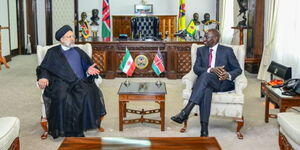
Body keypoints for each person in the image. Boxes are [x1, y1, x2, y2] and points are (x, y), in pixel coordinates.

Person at [36, 25, 106, 138]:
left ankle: (82, 125)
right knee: (62, 96)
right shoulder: (52, 52)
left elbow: (89, 65)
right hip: (60, 82)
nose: (72, 39)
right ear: (61, 39)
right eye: (69, 37)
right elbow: (44, 68)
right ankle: (65, 130)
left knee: (88, 93)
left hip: (79, 81)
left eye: (73, 36)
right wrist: (43, 78)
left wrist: (88, 70)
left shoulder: (78, 51)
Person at [171, 29, 242, 137]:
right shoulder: (201, 50)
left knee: (204, 76)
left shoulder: (227, 50)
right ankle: (204, 130)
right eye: (204, 37)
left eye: (206, 37)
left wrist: (227, 74)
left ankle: (185, 111)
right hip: (205, 83)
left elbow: (238, 69)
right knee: (206, 88)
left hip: (222, 82)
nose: (203, 39)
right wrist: (211, 69)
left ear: (215, 39)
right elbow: (196, 69)